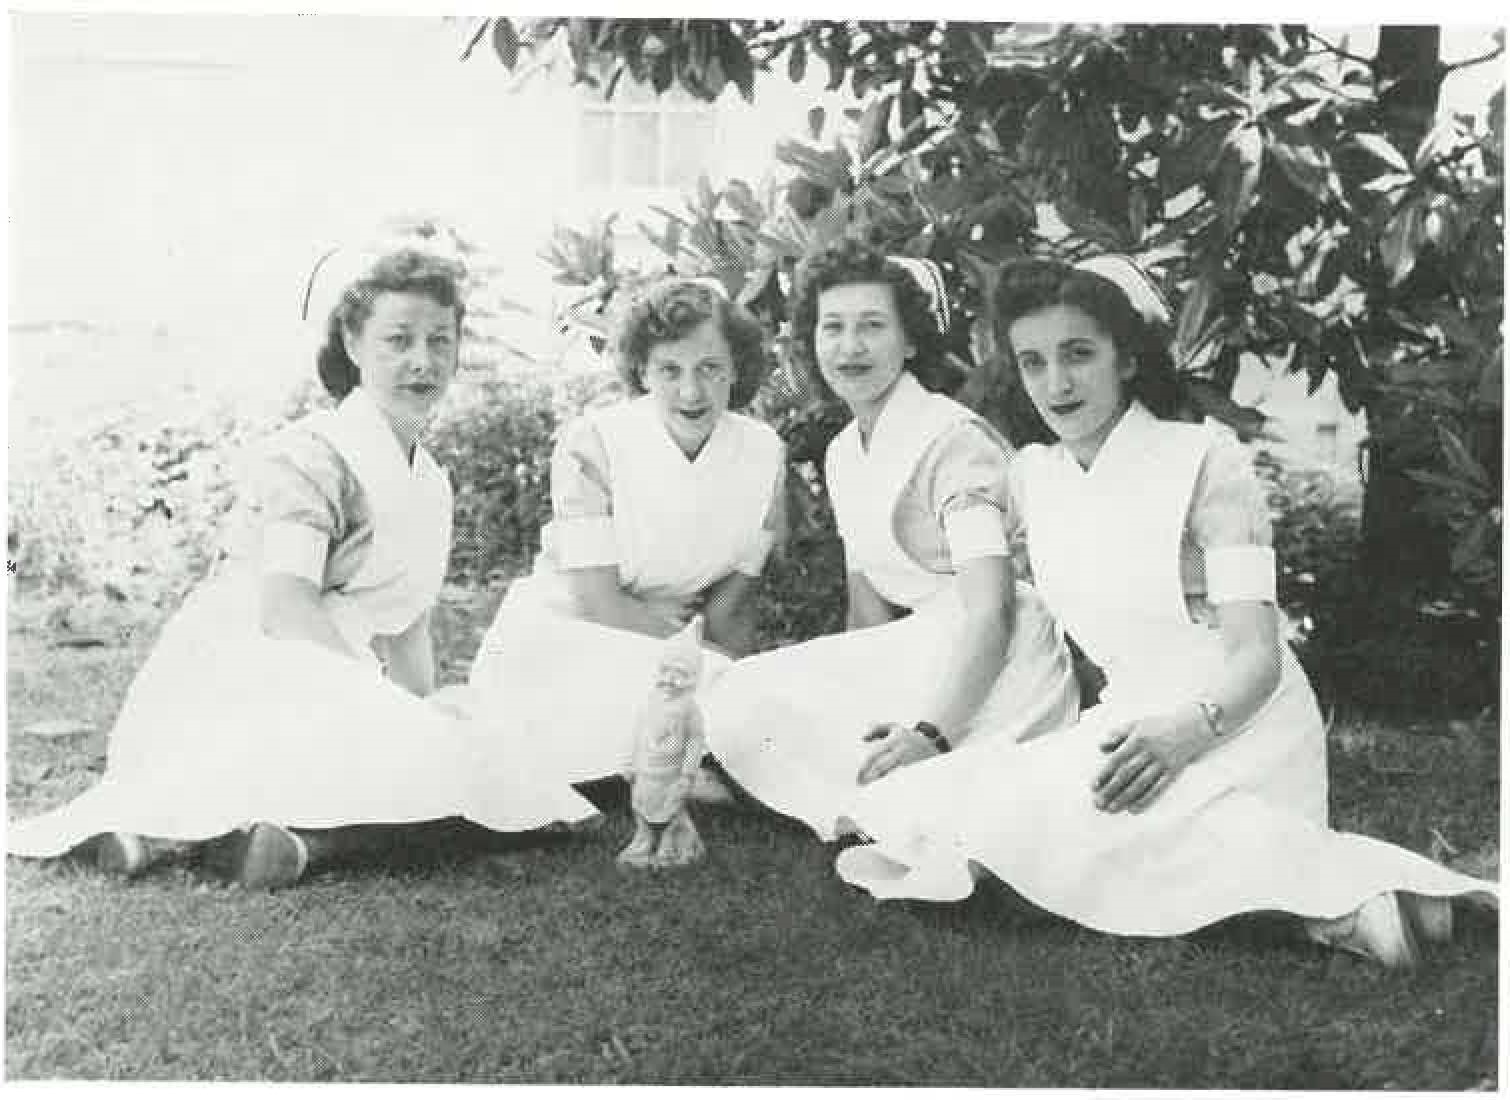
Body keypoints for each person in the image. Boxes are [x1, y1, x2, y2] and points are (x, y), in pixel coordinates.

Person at [831, 254, 1497, 967]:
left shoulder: (1205, 462)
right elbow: (977, 592)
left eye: (1079, 354)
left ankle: (1347, 904)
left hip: (1235, 719)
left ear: (1126, 358)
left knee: (1044, 843)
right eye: (1033, 362)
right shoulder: (1031, 476)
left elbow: (1258, 655)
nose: (1056, 383)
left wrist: (1185, 733)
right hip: (1127, 722)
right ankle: (1377, 899)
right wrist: (930, 715)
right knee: (946, 813)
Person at [6, 240, 595, 888]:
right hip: (254, 663)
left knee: (480, 764)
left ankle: (231, 837)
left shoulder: (430, 480)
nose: (422, 361)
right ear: (353, 343)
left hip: (332, 668)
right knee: (474, 781)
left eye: (439, 340)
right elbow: (287, 605)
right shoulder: (312, 455)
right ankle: (286, 841)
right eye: (398, 340)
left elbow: (407, 626)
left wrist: (417, 712)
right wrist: (377, 701)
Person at [702, 239, 1081, 840]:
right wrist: (855, 690)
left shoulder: (953, 443)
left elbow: (995, 609)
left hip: (1001, 659)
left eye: (873, 326)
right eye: (833, 327)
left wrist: (931, 733)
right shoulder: (843, 452)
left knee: (751, 700)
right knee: (737, 693)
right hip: (921, 646)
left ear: (909, 342)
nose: (850, 347)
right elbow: (867, 610)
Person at [466, 277, 785, 788]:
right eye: (669, 370)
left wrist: (729, 666)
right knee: (699, 710)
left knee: (746, 704)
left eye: (709, 368)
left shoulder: (765, 452)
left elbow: (732, 602)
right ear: (641, 370)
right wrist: (706, 659)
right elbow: (597, 601)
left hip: (682, 643)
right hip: (573, 636)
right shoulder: (592, 442)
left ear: (736, 369)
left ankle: (689, 760)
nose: (691, 391)